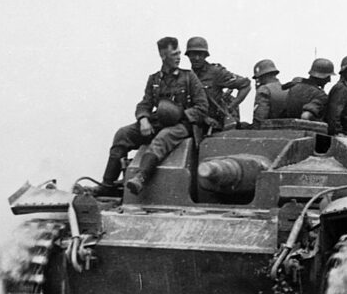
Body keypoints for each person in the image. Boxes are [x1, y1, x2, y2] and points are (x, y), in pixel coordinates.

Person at [99, 36, 209, 196]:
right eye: (174, 54)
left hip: (183, 125)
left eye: (179, 53)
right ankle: (107, 185)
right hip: (159, 120)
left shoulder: (188, 77)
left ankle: (141, 178)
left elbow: (202, 107)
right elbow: (145, 103)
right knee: (123, 134)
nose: (179, 57)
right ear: (163, 56)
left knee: (161, 139)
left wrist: (179, 115)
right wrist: (143, 119)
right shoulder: (155, 79)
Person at [185, 36, 251, 129]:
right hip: (196, 124)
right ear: (188, 55)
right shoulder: (186, 77)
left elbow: (245, 85)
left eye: (200, 54)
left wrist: (231, 107)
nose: (197, 58)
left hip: (216, 126)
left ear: (205, 56)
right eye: (193, 54)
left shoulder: (216, 72)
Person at [251, 59, 289, 124]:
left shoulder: (264, 89)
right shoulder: (287, 89)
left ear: (262, 76)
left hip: (269, 130)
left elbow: (260, 118)